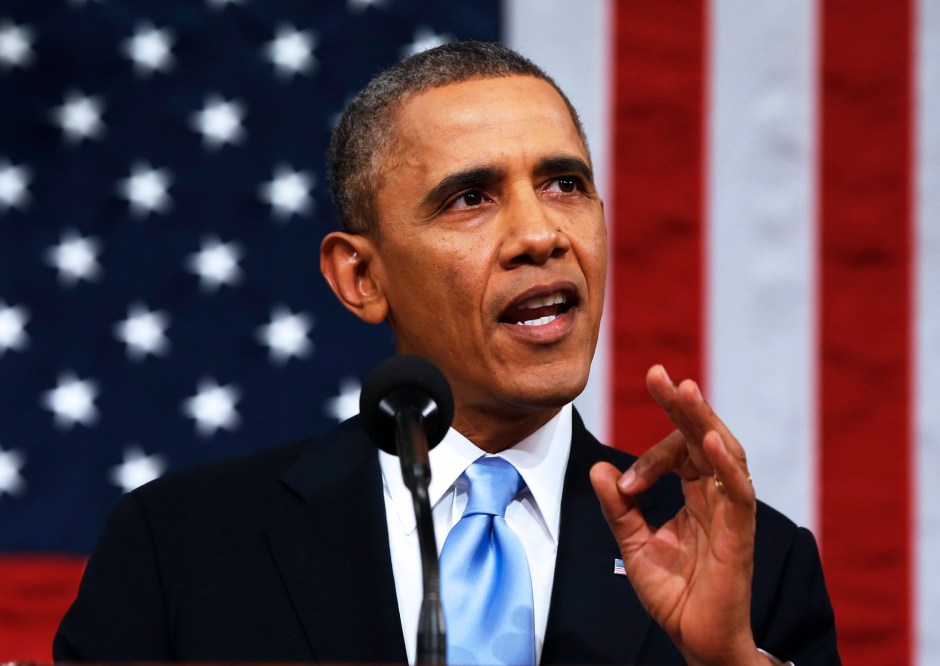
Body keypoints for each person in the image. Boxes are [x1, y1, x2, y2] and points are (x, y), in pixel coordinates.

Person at [54, 41, 839, 664]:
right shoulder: (182, 547)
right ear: (361, 276)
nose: (541, 235)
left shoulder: (752, 564)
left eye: (564, 184)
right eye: (472, 197)